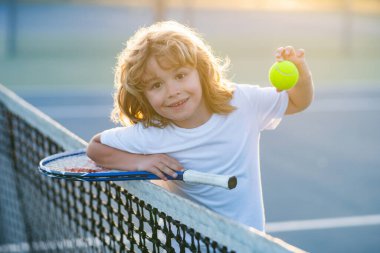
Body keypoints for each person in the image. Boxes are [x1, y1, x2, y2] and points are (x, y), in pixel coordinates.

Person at [86, 20, 313, 232]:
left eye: (181, 75)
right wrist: (141, 161)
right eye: (156, 85)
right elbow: (95, 148)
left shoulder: (242, 102)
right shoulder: (152, 133)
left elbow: (297, 101)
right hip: (191, 242)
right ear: (143, 96)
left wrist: (301, 71)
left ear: (201, 71)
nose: (173, 91)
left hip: (247, 241)